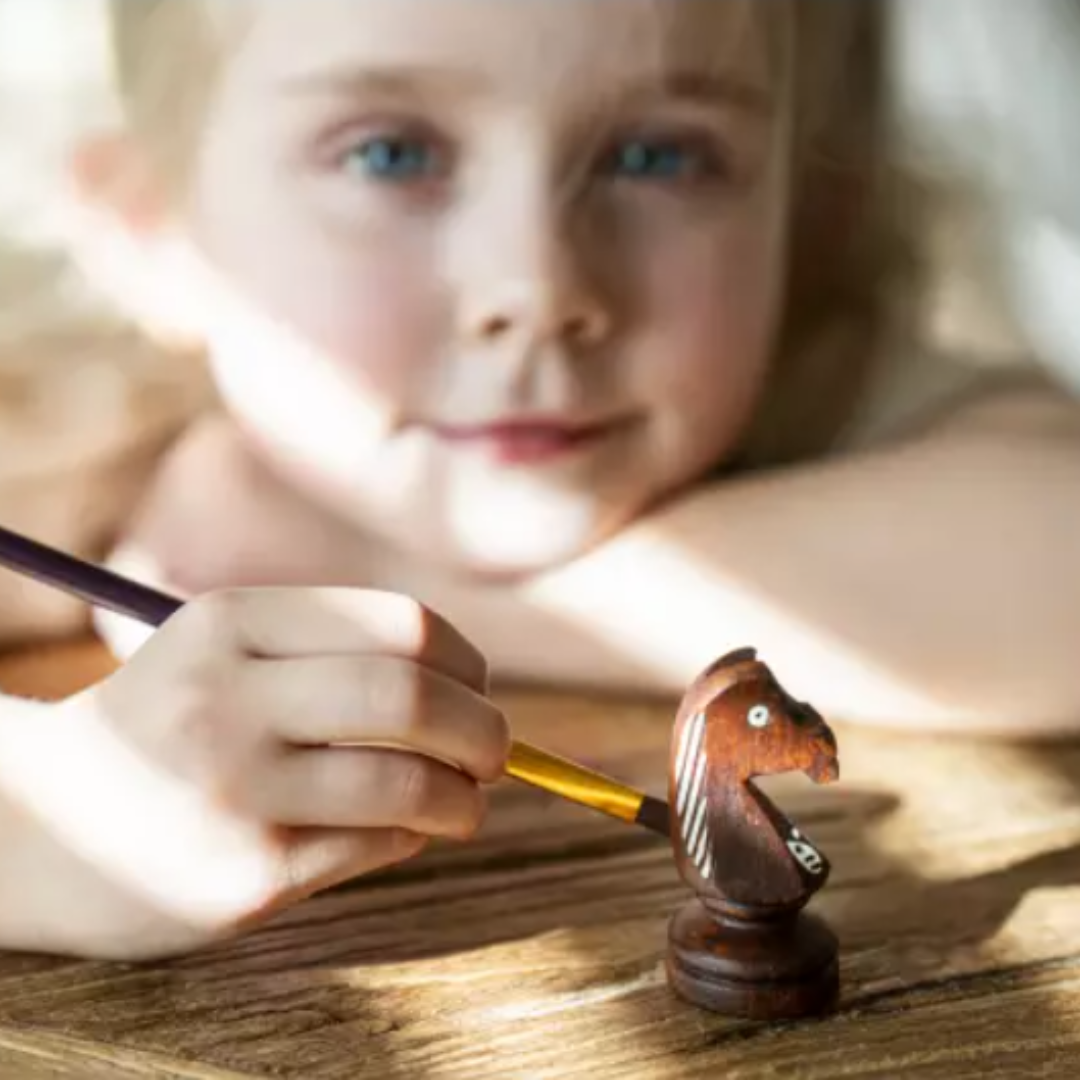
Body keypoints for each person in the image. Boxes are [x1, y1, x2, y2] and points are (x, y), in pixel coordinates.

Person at [0, 0, 1077, 960]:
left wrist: (370, 574)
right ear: (152, 228)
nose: (541, 283)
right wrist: (35, 839)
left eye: (657, 156)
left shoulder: (826, 380)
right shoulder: (61, 450)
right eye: (388, 154)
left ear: (804, 216)